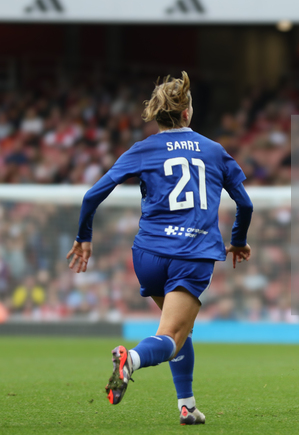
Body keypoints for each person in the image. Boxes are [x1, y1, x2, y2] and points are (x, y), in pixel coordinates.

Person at [66, 72, 253, 425]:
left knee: (181, 329)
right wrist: (239, 240)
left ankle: (187, 405)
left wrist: (83, 237)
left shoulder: (143, 149)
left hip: (148, 254)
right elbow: (245, 204)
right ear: (187, 113)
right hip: (192, 253)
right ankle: (131, 360)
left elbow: (92, 195)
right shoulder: (214, 150)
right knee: (172, 334)